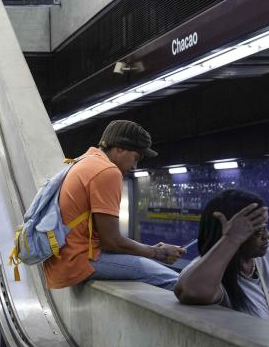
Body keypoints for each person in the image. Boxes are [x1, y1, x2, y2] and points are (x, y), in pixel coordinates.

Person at [44, 119, 186, 290]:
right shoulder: (107, 171)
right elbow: (111, 241)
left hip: (61, 261)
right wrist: (157, 253)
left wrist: (151, 249)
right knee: (178, 283)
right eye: (135, 158)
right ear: (119, 148)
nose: (134, 166)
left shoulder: (84, 161)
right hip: (78, 260)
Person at [174, 189, 269, 337]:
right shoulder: (210, 272)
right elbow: (189, 292)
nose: (268, 235)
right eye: (257, 231)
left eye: (266, 227)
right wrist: (231, 239)